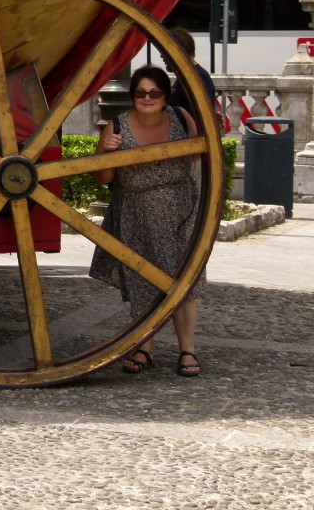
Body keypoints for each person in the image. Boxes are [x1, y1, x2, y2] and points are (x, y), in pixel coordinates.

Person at [89, 65, 204, 377]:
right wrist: (109, 153)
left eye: (154, 93)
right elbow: (101, 178)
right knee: (143, 282)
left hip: (181, 212)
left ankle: (187, 348)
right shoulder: (115, 127)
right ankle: (144, 346)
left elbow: (196, 152)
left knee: (185, 282)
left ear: (165, 95)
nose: (147, 98)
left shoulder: (181, 117)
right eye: (140, 93)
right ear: (133, 96)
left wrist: (169, 183)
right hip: (136, 214)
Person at [162, 26, 223, 132]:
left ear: (179, 51)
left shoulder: (197, 78)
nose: (161, 56)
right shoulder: (194, 76)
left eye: (166, 51)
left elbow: (201, 118)